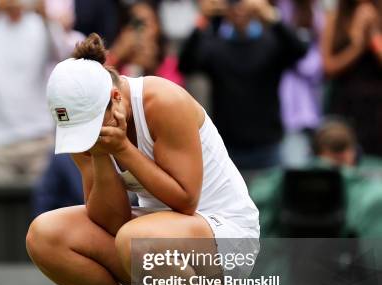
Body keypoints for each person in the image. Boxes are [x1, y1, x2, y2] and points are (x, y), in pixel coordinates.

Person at [26, 34, 260, 285]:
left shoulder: (163, 100)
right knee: (45, 234)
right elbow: (111, 220)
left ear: (115, 98)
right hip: (156, 240)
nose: (85, 135)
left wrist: (123, 149)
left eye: (90, 124)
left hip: (227, 242)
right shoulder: (82, 124)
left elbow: (185, 199)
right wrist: (103, 156)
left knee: (137, 238)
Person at [179, 0, 308, 170]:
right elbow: (186, 64)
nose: (238, 7)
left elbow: (299, 51)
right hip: (227, 146)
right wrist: (203, 19)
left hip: (268, 144)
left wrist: (273, 17)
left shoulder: (270, 40)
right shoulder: (216, 44)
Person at [0, 0, 67, 181]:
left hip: (37, 138)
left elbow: (63, 56)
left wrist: (46, 18)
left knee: (45, 208)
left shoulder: (40, 25)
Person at [321, 0, 382, 157]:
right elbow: (328, 67)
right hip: (344, 107)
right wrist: (357, 46)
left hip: (376, 110)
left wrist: (373, 33)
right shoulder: (335, 18)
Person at [277, 0, 325, 166]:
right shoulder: (267, 10)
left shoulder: (314, 13)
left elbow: (315, 65)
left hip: (305, 108)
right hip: (272, 109)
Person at [107, 0, 183, 85]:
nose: (140, 31)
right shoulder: (117, 64)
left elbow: (172, 92)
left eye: (145, 24)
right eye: (135, 23)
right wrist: (117, 54)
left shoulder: (169, 64)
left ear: (158, 28)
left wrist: (153, 68)